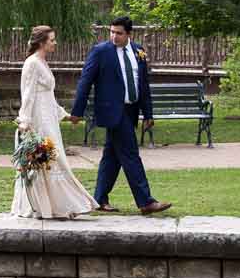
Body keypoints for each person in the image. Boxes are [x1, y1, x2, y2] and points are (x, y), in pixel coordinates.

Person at [69, 16, 171, 216]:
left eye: (119, 33)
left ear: (129, 34)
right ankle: (146, 201)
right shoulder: (100, 52)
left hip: (131, 110)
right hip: (112, 111)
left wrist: (148, 114)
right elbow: (85, 81)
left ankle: (99, 199)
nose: (114, 36)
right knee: (130, 154)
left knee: (112, 156)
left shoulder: (138, 51)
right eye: (112, 32)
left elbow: (143, 85)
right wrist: (77, 112)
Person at [13, 25, 98, 220]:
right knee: (47, 160)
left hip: (49, 119)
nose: (55, 43)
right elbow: (27, 95)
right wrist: (25, 121)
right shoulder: (32, 63)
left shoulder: (42, 62)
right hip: (38, 121)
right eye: (52, 40)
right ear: (42, 42)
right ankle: (43, 206)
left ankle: (58, 205)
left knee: (53, 160)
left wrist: (64, 115)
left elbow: (48, 97)